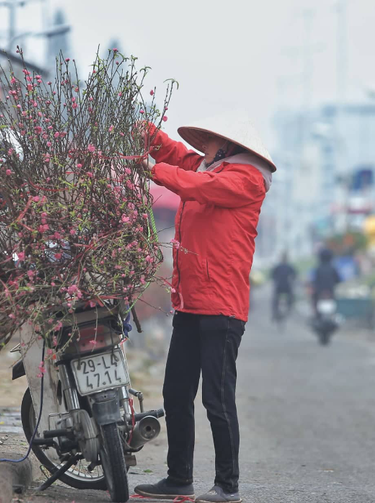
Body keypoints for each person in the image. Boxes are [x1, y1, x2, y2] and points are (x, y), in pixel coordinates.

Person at [134, 111, 275, 503]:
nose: (202, 146)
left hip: (222, 310)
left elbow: (194, 184)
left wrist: (151, 169)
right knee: (176, 393)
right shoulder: (206, 168)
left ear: (228, 147)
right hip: (191, 304)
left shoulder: (245, 180)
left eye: (210, 141)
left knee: (217, 399)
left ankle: (227, 486)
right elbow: (177, 156)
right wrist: (140, 130)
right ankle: (179, 479)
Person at [311, 248, 341, 315]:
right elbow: (338, 280)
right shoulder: (333, 268)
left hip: (320, 293)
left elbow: (315, 281)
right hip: (330, 292)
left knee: (314, 298)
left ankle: (315, 312)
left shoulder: (318, 269)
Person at [271, 252, 297, 322]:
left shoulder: (277, 267)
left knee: (275, 300)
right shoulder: (289, 267)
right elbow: (294, 275)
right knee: (291, 298)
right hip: (287, 287)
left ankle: (274, 313)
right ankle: (289, 308)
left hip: (279, 287)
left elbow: (272, 276)